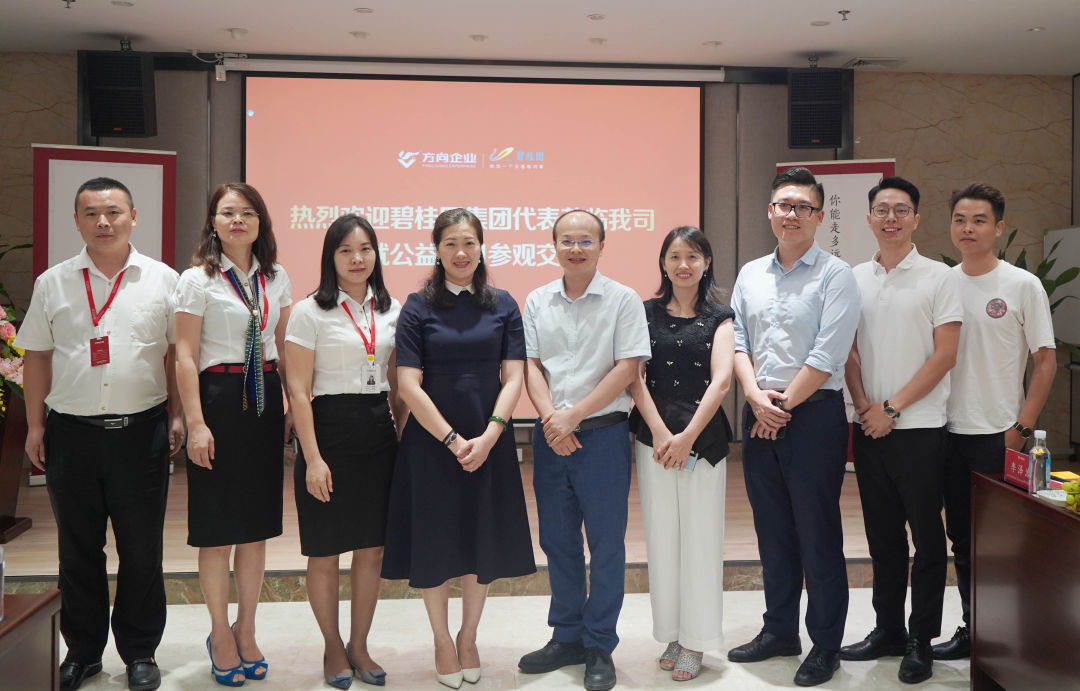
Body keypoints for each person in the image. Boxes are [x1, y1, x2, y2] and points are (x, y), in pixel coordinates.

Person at [16, 177, 183, 691]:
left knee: (142, 549)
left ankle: (140, 651)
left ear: (134, 216)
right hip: (71, 434)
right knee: (77, 550)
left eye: (113, 211)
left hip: (142, 433)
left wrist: (179, 416)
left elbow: (179, 355)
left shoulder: (164, 280)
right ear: (76, 221)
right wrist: (35, 424)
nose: (103, 222)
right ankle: (83, 651)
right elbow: (37, 356)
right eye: (91, 213)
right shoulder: (53, 283)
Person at [380, 208, 535, 689]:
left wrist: (490, 435)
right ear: (437, 249)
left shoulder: (503, 304)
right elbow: (408, 384)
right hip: (431, 443)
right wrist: (450, 439)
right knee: (434, 540)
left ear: (482, 247)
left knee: (479, 537)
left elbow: (514, 377)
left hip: (488, 438)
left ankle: (469, 636)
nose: (461, 252)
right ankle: (441, 640)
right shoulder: (417, 306)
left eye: (469, 242)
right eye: (450, 243)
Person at [727, 167, 860, 687]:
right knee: (773, 531)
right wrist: (755, 398)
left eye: (803, 207)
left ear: (819, 217)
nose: (792, 214)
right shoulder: (750, 274)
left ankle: (826, 644)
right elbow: (737, 342)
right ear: (770, 211)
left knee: (817, 531)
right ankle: (779, 631)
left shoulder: (836, 275)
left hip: (813, 416)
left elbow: (829, 353)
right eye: (784, 205)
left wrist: (779, 407)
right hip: (759, 409)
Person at [518, 209, 651, 691]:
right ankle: (567, 636)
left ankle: (599, 644)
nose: (576, 248)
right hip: (551, 436)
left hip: (603, 436)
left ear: (601, 246)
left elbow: (627, 369)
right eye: (567, 241)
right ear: (554, 245)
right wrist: (552, 419)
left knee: (606, 543)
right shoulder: (537, 300)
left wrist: (572, 416)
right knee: (557, 541)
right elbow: (531, 366)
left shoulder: (623, 299)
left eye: (585, 241)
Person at [839, 177, 962, 684]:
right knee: (882, 538)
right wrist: (865, 407)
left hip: (921, 429)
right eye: (882, 209)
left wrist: (892, 407)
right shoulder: (852, 277)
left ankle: (920, 640)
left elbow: (945, 355)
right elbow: (846, 351)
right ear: (869, 218)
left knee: (928, 541)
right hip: (869, 427)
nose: (891, 218)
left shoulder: (940, 277)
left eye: (901, 210)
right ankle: (887, 630)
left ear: (916, 218)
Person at [174, 182, 292, 687]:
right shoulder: (196, 279)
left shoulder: (276, 276)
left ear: (260, 222)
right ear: (214, 222)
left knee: (256, 527)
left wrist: (293, 405)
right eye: (228, 213)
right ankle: (219, 632)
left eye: (248, 212)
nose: (238, 220)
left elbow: (284, 346)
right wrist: (196, 422)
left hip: (264, 397)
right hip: (217, 400)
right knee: (218, 527)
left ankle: (247, 627)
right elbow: (184, 355)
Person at [933, 182, 1056, 660]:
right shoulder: (941, 283)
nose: (968, 228)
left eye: (979, 220)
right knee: (962, 539)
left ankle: (1014, 638)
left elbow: (1045, 361)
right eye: (960, 219)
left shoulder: (1022, 285)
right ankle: (975, 629)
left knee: (1004, 542)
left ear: (999, 228)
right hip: (946, 432)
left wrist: (1020, 429)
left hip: (999, 435)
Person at [285, 215, 404, 689]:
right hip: (327, 435)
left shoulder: (393, 310)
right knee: (325, 551)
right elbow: (298, 391)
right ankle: (332, 646)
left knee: (371, 551)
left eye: (365, 249)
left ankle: (359, 645)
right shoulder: (309, 311)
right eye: (346, 251)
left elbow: (398, 385)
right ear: (330, 257)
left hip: (378, 435)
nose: (357, 259)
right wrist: (312, 458)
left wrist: (403, 438)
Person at [628, 226, 735, 682]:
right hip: (653, 439)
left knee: (700, 541)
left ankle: (696, 640)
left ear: (706, 262)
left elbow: (723, 380)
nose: (683, 264)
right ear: (663, 263)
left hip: (702, 443)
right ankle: (673, 633)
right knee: (663, 540)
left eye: (693, 256)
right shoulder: (645, 312)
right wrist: (659, 431)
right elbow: (633, 375)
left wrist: (687, 436)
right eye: (674, 256)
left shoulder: (720, 317)